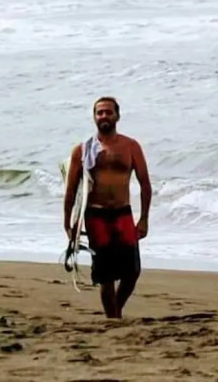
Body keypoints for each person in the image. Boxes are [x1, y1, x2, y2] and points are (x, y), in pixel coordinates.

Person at [63, 97, 152, 319]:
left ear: (117, 116)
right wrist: (68, 223)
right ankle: (113, 320)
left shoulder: (131, 146)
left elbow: (145, 184)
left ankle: (115, 312)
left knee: (132, 272)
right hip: (96, 216)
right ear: (94, 117)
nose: (104, 116)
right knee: (106, 275)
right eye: (99, 112)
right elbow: (71, 190)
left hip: (123, 213)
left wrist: (144, 218)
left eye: (108, 112)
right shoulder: (83, 150)